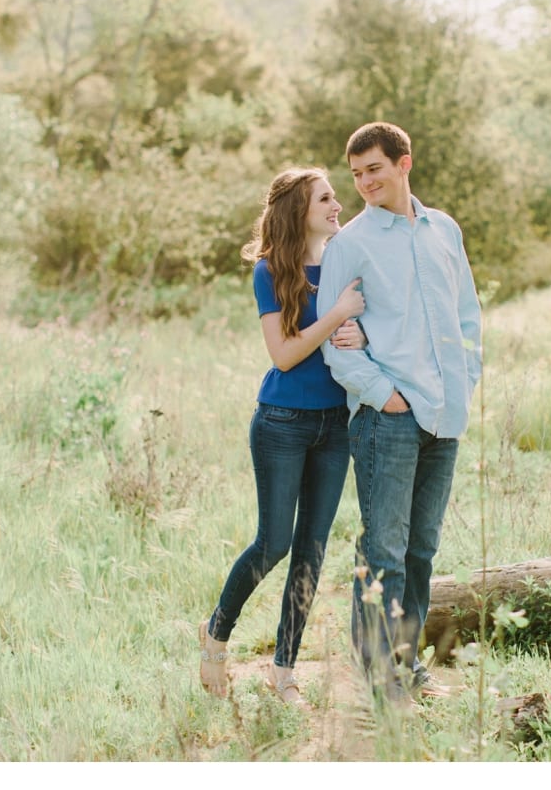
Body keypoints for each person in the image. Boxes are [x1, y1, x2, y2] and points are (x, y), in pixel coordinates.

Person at [317, 121, 483, 702]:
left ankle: (408, 667)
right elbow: (331, 337)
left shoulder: (445, 230)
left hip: (445, 413)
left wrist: (466, 377)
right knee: (383, 549)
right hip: (388, 417)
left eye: (374, 170)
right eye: (356, 173)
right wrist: (383, 394)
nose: (363, 182)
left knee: (421, 550)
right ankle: (377, 677)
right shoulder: (351, 244)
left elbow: (467, 313)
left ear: (404, 163)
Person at [199, 167, 367, 708]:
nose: (337, 204)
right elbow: (285, 354)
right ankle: (217, 632)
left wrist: (358, 326)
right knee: (275, 542)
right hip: (282, 421)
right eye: (326, 197)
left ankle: (284, 671)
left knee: (313, 551)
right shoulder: (271, 270)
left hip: (336, 423)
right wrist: (337, 314)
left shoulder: (346, 260)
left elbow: (371, 325)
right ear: (300, 209)